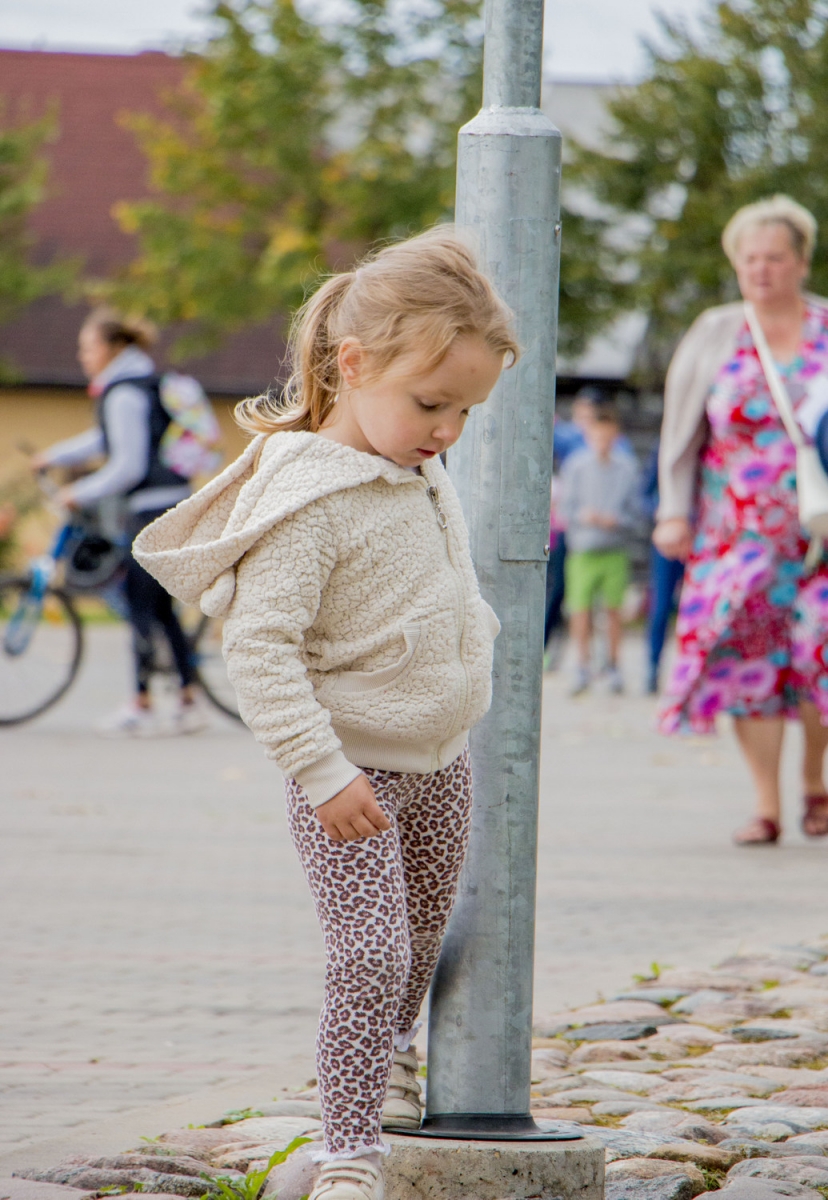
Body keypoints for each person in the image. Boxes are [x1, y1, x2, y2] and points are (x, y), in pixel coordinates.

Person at [132, 230, 515, 1200]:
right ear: (354, 366)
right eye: (433, 405)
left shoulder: (415, 466)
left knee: (418, 948)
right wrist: (323, 771)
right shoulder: (309, 500)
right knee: (368, 954)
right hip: (349, 773)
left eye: (467, 411)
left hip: (441, 764)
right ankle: (349, 1154)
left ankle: (385, 1060)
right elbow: (260, 650)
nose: (448, 432)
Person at [654, 194, 828, 845]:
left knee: (820, 650)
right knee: (747, 662)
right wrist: (673, 513)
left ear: (801, 261)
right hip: (737, 534)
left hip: (820, 533)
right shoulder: (716, 331)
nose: (761, 270)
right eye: (749, 258)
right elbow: (680, 431)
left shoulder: (825, 327)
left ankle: (816, 783)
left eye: (775, 257)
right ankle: (767, 806)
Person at [32, 308, 203, 736]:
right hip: (167, 502)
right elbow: (106, 440)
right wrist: (56, 455)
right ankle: (186, 699)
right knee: (159, 607)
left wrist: (78, 491)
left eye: (87, 347)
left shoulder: (125, 393)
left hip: (152, 509)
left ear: (112, 348)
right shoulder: (136, 386)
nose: (82, 356)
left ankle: (143, 703)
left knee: (140, 602)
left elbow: (126, 464)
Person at [559, 405, 641, 695]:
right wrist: (585, 516)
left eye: (607, 438)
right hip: (582, 549)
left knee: (613, 610)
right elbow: (565, 510)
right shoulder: (576, 466)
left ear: (615, 436)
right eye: (597, 437)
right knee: (579, 610)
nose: (602, 443)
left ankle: (614, 666)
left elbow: (637, 514)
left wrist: (615, 520)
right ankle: (582, 665)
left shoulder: (627, 468)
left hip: (614, 548)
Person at [642, 442, 685, 694]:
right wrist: (662, 513)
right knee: (660, 606)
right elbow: (643, 495)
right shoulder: (663, 450)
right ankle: (652, 667)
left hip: (702, 539)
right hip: (668, 541)